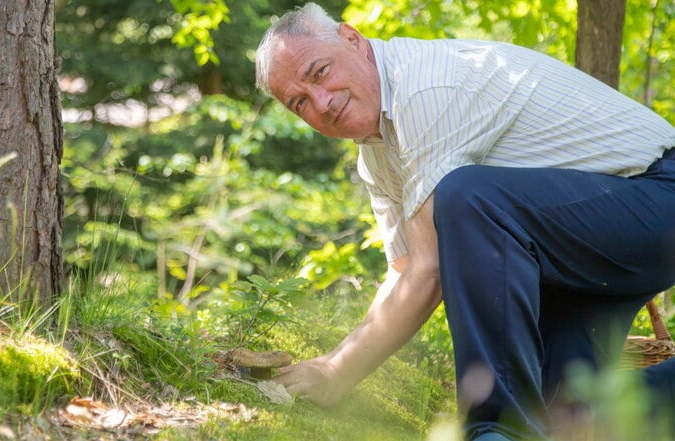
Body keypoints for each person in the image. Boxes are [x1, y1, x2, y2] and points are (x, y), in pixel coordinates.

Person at [254, 3, 675, 440]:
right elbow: (403, 273)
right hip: (580, 250)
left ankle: (494, 429)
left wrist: (338, 370)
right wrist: (331, 363)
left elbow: (430, 270)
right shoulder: (376, 155)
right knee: (566, 418)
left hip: (657, 197)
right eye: (299, 102)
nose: (320, 103)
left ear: (353, 40)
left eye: (319, 72)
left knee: (466, 196)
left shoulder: (423, 86)